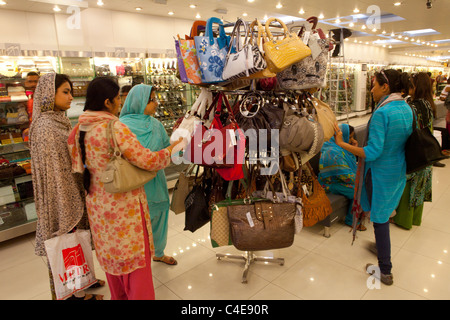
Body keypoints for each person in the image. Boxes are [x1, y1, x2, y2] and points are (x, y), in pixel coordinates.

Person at [67, 77, 182, 300]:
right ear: (108, 102)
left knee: (113, 263)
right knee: (135, 265)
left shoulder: (78, 130)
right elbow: (148, 161)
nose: (121, 102)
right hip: (124, 209)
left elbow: (77, 169)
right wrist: (170, 150)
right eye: (119, 98)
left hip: (98, 210)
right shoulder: (114, 128)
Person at [334, 69, 413, 285]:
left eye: (374, 85)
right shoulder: (406, 108)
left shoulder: (382, 113)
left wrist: (342, 144)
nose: (371, 89)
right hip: (397, 171)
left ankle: (385, 271)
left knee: (379, 219)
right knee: (385, 213)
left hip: (379, 174)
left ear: (385, 87)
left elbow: (372, 152)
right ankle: (381, 245)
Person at [29, 73, 104, 300]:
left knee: (77, 240)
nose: (71, 97)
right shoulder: (45, 128)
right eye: (65, 92)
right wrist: (69, 200)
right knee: (66, 244)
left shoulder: (57, 120)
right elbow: (55, 173)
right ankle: (74, 295)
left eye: (71, 91)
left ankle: (84, 280)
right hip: (61, 197)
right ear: (47, 94)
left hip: (71, 191)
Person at [119, 84, 177, 266]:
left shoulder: (156, 125)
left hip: (155, 181)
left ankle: (158, 252)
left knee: (159, 216)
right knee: (135, 223)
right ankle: (137, 256)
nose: (157, 103)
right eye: (152, 100)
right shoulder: (120, 127)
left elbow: (167, 148)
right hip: (131, 183)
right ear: (139, 101)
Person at [393, 73, 435, 229]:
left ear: (418, 87)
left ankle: (403, 219)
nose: (409, 87)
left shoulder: (413, 106)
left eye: (411, 84)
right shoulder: (428, 103)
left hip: (414, 149)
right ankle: (415, 218)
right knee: (420, 184)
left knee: (409, 184)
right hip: (426, 150)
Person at [318, 124, 362, 229]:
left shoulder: (338, 147)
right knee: (359, 190)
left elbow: (349, 164)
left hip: (338, 180)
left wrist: (353, 149)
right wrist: (361, 178)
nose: (352, 140)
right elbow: (346, 175)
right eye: (350, 137)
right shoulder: (332, 152)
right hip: (328, 184)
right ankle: (351, 221)